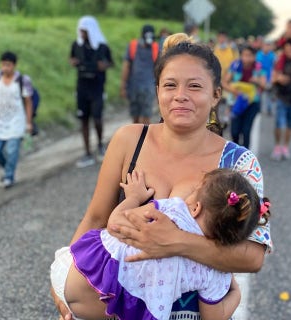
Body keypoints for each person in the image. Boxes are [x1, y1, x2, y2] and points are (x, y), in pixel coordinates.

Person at [52, 39, 273, 320]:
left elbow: (252, 256)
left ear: (216, 94)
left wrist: (176, 241)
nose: (180, 95)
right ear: (157, 91)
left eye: (194, 86)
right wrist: (61, 287)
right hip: (112, 309)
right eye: (170, 85)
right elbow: (95, 219)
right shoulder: (128, 140)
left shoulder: (240, 163)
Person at [51, 168, 270, 320]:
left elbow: (116, 224)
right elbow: (213, 316)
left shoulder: (172, 211)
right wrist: (236, 293)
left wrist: (134, 198)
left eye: (194, 192)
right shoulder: (215, 270)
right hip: (97, 308)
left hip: (77, 270)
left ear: (195, 208)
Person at [0, 51, 33, 189]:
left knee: (12, 149)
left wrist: (28, 122)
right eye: (3, 65)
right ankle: (8, 169)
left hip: (16, 119)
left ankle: (9, 176)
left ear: (14, 66)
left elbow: (28, 102)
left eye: (8, 65)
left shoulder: (21, 81)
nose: (5, 68)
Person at [70, 16, 114, 168]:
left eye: (84, 31)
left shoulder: (102, 46)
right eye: (80, 31)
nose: (82, 34)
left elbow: (110, 62)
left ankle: (100, 145)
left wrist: (104, 65)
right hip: (82, 86)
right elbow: (72, 58)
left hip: (97, 87)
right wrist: (74, 62)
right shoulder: (77, 45)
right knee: (83, 119)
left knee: (97, 118)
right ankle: (87, 152)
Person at [222, 45, 266, 148]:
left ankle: (246, 156)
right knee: (234, 131)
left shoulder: (259, 67)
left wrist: (257, 81)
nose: (247, 58)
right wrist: (234, 91)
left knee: (246, 131)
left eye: (250, 55)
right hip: (236, 102)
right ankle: (237, 152)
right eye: (244, 55)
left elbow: (265, 85)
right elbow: (224, 83)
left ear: (254, 56)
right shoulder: (235, 65)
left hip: (252, 103)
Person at [121, 25, 160, 125]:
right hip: (134, 87)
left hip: (148, 88)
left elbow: (159, 69)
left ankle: (144, 139)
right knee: (135, 117)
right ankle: (137, 138)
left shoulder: (155, 48)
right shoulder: (133, 46)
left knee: (146, 117)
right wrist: (123, 86)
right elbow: (126, 66)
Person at [256, 40, 276, 115]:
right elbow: (257, 66)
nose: (267, 47)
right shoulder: (259, 55)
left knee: (269, 94)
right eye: (265, 45)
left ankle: (269, 109)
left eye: (268, 45)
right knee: (259, 94)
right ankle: (258, 109)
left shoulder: (272, 55)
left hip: (269, 77)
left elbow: (274, 65)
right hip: (261, 77)